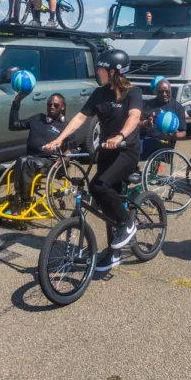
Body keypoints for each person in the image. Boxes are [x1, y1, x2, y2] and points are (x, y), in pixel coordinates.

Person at [44, 49, 143, 273]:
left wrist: (120, 136)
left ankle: (127, 224)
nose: (98, 73)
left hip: (126, 150)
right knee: (106, 199)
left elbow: (134, 117)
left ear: (113, 71)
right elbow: (80, 117)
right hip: (107, 151)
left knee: (100, 185)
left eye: (101, 69)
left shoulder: (133, 93)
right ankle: (114, 253)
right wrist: (59, 139)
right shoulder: (99, 93)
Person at [7, 87, 72, 214]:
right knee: (23, 160)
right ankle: (20, 198)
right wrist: (16, 102)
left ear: (62, 107)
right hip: (31, 158)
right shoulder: (37, 119)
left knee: (26, 161)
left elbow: (72, 148)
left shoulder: (65, 127)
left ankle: (23, 201)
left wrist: (65, 157)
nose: (52, 106)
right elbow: (13, 125)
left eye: (56, 104)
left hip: (52, 162)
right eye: (49, 104)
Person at [141, 79, 187, 158]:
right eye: (160, 92)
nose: (164, 94)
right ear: (155, 92)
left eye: (167, 91)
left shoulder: (177, 106)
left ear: (170, 91)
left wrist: (175, 135)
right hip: (145, 139)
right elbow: (137, 122)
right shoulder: (147, 104)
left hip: (164, 143)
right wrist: (145, 123)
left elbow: (183, 133)